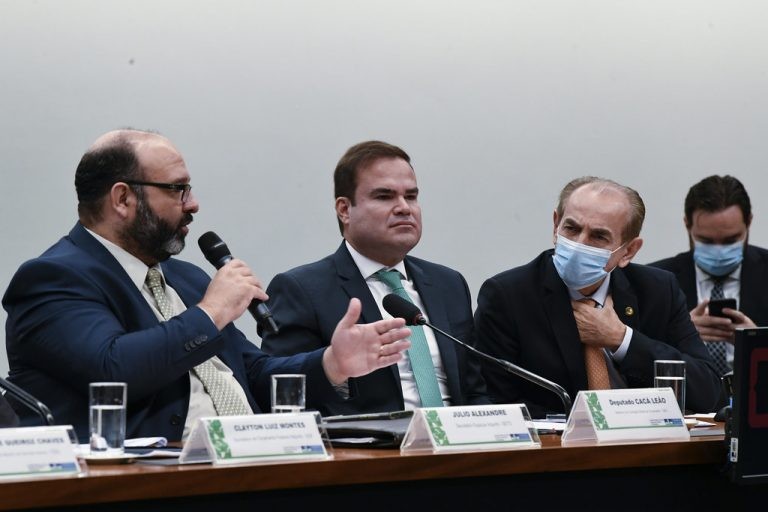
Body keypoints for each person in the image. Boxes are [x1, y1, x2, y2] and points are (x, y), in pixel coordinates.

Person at [2, 129, 411, 441]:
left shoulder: (186, 277)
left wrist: (332, 363)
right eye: (177, 189)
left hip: (247, 463)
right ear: (122, 199)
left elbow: (250, 373)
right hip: (143, 483)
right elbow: (113, 372)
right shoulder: (53, 279)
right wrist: (211, 312)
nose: (193, 203)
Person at [260, 140, 488, 414]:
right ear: (345, 210)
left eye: (411, 196)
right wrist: (335, 365)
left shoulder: (448, 284)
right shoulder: (302, 289)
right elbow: (279, 392)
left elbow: (475, 391)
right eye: (384, 196)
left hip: (461, 448)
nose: (404, 207)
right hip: (369, 451)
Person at [473, 176, 721, 418]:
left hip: (646, 449)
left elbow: (709, 390)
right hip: (558, 453)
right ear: (555, 225)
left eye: (598, 236)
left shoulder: (657, 290)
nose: (579, 243)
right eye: (571, 228)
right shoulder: (508, 296)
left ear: (628, 251)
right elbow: (495, 402)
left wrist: (621, 340)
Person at [650, 175, 767, 376]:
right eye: (706, 240)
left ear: (749, 222)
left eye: (731, 240)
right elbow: (636, 354)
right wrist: (678, 334)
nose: (719, 251)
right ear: (688, 225)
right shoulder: (655, 280)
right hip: (687, 400)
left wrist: (757, 342)